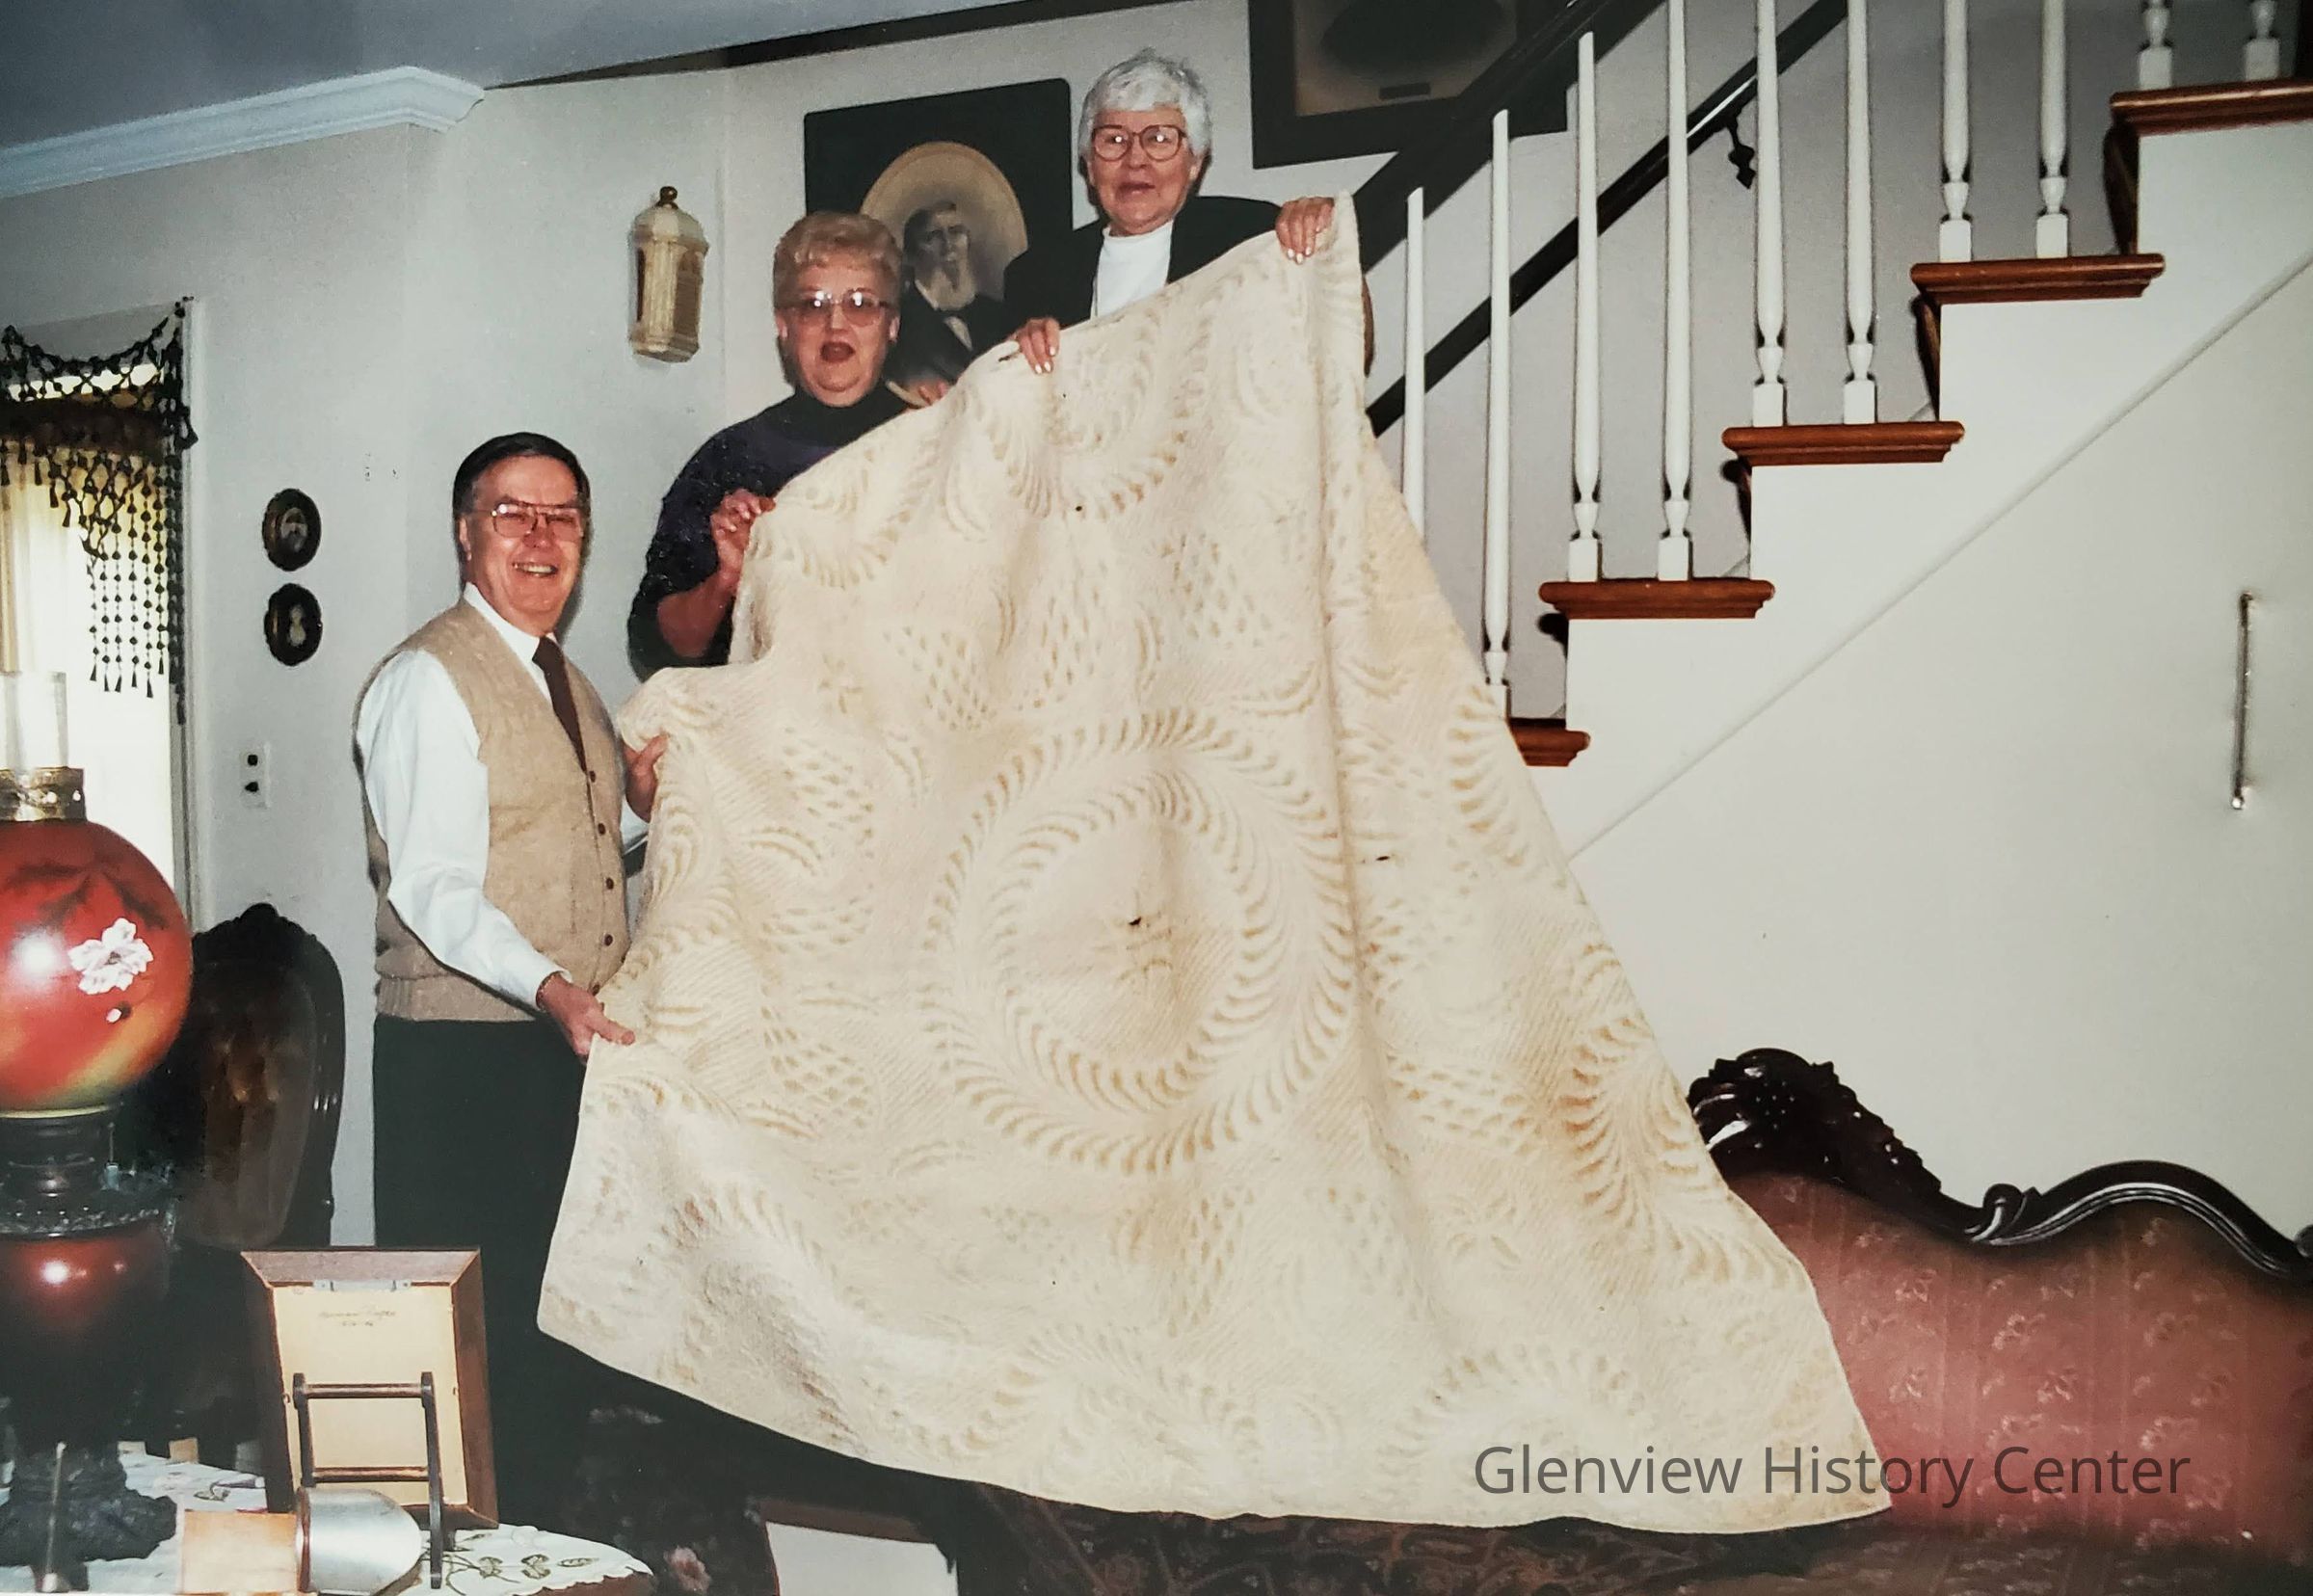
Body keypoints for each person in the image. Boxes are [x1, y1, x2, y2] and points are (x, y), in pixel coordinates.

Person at [355, 431, 670, 1524]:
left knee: (548, 1341)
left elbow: (568, 845)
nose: (540, 537)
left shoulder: (568, 682)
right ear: (465, 533)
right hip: (463, 1062)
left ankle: (542, 1558)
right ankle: (470, 1565)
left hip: (553, 1047)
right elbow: (435, 887)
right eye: (512, 513)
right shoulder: (427, 679)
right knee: (472, 1352)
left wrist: (637, 807)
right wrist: (549, 987)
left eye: (562, 515)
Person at [628, 212, 914, 677]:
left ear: (892, 325)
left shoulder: (932, 441)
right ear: (784, 325)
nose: (836, 324)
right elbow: (653, 647)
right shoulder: (729, 460)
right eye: (812, 305)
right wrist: (726, 580)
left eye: (861, 303)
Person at [1003, 49, 1340, 374]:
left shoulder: (1253, 235)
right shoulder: (1036, 275)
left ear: (1194, 162)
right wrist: (1011, 362)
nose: (1135, 159)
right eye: (1114, 140)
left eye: (1159, 139)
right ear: (1090, 166)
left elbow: (1340, 343)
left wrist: (1329, 245)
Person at [889, 200, 1014, 393]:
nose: (949, 246)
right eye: (933, 236)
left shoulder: (994, 313)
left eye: (956, 232)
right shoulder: (898, 325)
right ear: (910, 256)